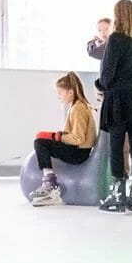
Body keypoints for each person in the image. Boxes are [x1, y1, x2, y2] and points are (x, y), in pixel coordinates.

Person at [96, 0, 132, 214]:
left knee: (117, 146)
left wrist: (100, 85)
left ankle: (118, 195)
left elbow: (107, 73)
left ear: (118, 16)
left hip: (118, 99)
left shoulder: (116, 39)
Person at [28, 72, 97, 206]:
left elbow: (78, 138)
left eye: (60, 93)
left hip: (78, 153)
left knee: (40, 143)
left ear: (70, 92)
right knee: (43, 140)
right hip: (77, 150)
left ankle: (50, 184)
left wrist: (55, 137)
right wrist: (55, 136)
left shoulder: (78, 108)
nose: (58, 96)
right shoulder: (76, 106)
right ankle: (50, 183)